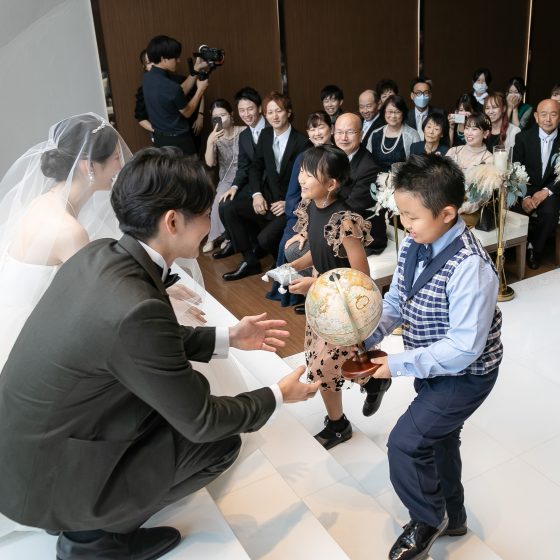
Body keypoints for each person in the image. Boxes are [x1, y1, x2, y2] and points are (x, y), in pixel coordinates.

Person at [0, 147, 320, 560]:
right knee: (219, 443)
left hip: (27, 450)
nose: (210, 223)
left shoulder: (100, 254)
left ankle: (88, 513)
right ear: (172, 222)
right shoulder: (134, 306)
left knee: (180, 395)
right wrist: (278, 394)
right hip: (47, 477)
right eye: (204, 213)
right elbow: (202, 421)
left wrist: (229, 337)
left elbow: (141, 341)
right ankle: (93, 540)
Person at [365, 154, 503, 560]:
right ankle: (454, 518)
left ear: (447, 213)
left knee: (405, 444)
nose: (404, 223)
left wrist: (394, 365)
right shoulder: (414, 241)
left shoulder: (471, 267)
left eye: (412, 216)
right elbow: (396, 300)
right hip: (434, 362)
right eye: (402, 214)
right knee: (440, 440)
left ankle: (427, 520)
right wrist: (369, 337)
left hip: (467, 374)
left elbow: (463, 349)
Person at [0, 113, 131, 375]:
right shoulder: (69, 231)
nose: (122, 165)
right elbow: (102, 298)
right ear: (88, 166)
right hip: (33, 335)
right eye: (117, 158)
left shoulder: (43, 202)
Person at [287, 145, 384, 449]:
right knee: (332, 361)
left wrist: (315, 284)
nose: (301, 178)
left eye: (309, 174)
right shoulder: (311, 207)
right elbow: (318, 250)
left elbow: (360, 275)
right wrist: (294, 266)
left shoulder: (345, 221)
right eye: (302, 170)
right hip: (322, 299)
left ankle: (339, 425)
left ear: (331, 184)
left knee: (321, 367)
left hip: (341, 305)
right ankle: (374, 380)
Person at [222, 91, 310, 281]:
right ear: (265, 114)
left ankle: (279, 260)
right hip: (268, 198)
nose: (274, 116)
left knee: (265, 239)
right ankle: (250, 261)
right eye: (270, 112)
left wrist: (288, 203)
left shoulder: (302, 142)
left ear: (289, 112)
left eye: (279, 111)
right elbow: (255, 167)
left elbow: (306, 181)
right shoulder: (266, 134)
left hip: (288, 205)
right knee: (228, 207)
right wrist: (257, 194)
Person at [268, 110, 333, 311]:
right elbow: (293, 192)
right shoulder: (303, 157)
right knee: (287, 242)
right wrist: (297, 217)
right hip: (301, 212)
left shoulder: (335, 156)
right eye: (312, 129)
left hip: (324, 212)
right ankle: (294, 293)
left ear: (331, 129)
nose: (316, 133)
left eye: (321, 127)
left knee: (298, 245)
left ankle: (313, 294)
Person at [213, 86, 267, 259]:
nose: (246, 114)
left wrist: (257, 192)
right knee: (224, 203)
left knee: (231, 208)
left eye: (250, 109)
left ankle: (248, 251)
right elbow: (243, 166)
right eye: (242, 110)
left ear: (259, 108)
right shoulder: (245, 135)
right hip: (253, 183)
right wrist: (234, 187)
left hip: (269, 186)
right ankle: (245, 252)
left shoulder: (272, 128)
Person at [513, 98, 560, 270]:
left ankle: (535, 248)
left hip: (553, 188)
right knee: (510, 208)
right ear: (536, 116)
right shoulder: (523, 138)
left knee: (549, 213)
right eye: (544, 114)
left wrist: (547, 191)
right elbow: (515, 169)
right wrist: (525, 196)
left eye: (553, 114)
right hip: (526, 187)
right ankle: (513, 247)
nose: (548, 119)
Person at [142, 35, 208, 155]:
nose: (178, 60)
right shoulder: (170, 86)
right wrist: (200, 90)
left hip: (160, 141)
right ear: (163, 59)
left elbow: (176, 94)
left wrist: (195, 70)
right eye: (175, 57)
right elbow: (187, 112)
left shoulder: (147, 78)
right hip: (179, 143)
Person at [334, 112, 387, 254]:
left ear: (361, 135)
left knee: (298, 250)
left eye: (350, 132)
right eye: (339, 132)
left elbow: (351, 209)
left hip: (361, 235)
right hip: (336, 224)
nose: (344, 137)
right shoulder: (333, 156)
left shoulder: (369, 168)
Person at [203, 99, 245, 253]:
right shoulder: (215, 137)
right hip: (226, 178)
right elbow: (210, 163)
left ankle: (227, 236)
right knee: (218, 201)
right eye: (216, 117)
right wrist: (210, 142)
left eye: (223, 115)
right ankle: (212, 238)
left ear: (231, 114)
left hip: (243, 174)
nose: (220, 119)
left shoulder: (244, 131)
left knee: (230, 203)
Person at [446, 113, 493, 219]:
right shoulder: (453, 151)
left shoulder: (488, 159)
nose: (469, 133)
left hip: (469, 213)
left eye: (474, 129)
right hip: (446, 206)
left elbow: (482, 197)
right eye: (467, 128)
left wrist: (460, 209)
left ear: (485, 133)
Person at [369, 95, 420, 171]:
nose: (393, 116)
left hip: (402, 177)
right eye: (390, 112)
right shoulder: (375, 134)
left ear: (403, 113)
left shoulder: (412, 135)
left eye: (397, 112)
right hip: (375, 177)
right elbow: (368, 161)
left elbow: (417, 164)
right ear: (384, 112)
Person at [405, 76, 446, 141]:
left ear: (430, 95)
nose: (422, 96)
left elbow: (445, 139)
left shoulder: (440, 113)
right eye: (418, 93)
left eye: (426, 93)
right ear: (412, 95)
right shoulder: (406, 116)